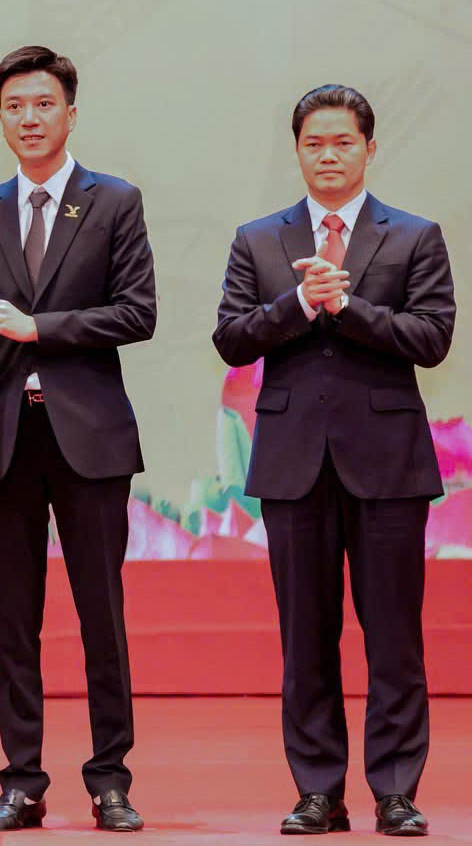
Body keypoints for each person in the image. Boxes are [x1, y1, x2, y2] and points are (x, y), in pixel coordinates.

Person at [212, 86, 452, 839]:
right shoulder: (259, 239)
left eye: (343, 142)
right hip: (294, 466)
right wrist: (299, 304)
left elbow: (432, 338)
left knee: (394, 639)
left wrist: (349, 309)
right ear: (297, 150)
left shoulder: (414, 236)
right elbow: (231, 338)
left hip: (388, 465)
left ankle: (395, 792)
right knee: (306, 640)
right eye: (313, 143)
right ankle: (318, 792)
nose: (328, 155)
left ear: (369, 149)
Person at [0, 46, 155, 834]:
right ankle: (22, 780)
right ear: (0, 116)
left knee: (102, 616)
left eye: (42, 104)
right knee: (13, 623)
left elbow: (137, 312)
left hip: (89, 438)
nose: (29, 119)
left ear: (71, 112)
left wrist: (37, 327)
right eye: (14, 106)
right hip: (4, 438)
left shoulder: (115, 201)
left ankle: (110, 780)